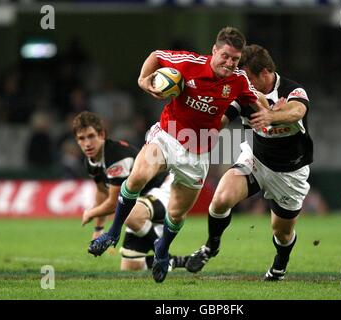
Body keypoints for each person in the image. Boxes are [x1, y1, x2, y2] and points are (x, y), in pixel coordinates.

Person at [87, 27, 270, 283]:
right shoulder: (188, 63)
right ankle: (113, 232)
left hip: (199, 150)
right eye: (225, 56)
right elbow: (156, 55)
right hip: (168, 135)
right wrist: (143, 80)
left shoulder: (238, 81)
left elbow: (256, 100)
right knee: (138, 176)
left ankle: (162, 250)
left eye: (235, 59)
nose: (229, 63)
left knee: (176, 214)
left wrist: (270, 114)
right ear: (214, 51)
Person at [185, 44, 314, 281]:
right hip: (255, 159)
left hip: (289, 172)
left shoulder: (292, 90)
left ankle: (280, 264)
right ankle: (210, 247)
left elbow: (297, 112)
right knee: (221, 198)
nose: (245, 82)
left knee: (282, 232)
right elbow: (221, 120)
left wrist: (272, 115)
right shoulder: (243, 92)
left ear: (264, 73)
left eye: (249, 77)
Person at [73, 111, 188, 271]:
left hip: (163, 190)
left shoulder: (115, 156)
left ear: (102, 134)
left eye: (91, 136)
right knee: (130, 266)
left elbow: (114, 203)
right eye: (81, 138)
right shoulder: (91, 162)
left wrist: (90, 213)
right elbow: (102, 193)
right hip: (142, 201)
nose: (87, 143)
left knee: (130, 215)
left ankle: (163, 256)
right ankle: (179, 262)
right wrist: (98, 229)